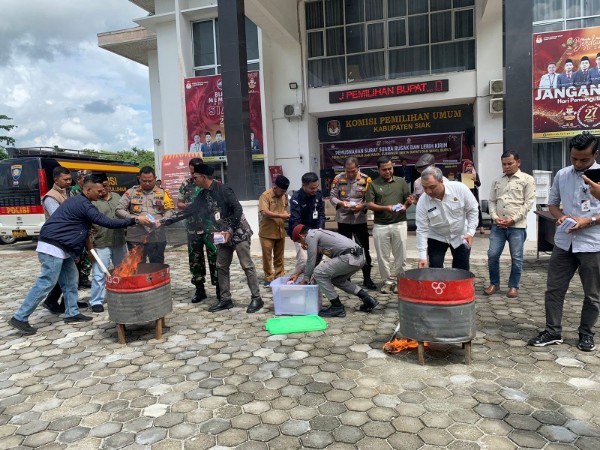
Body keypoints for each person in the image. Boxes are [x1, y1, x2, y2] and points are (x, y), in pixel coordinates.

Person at [7, 175, 153, 335]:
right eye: (98, 190)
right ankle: (20, 317)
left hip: (64, 248)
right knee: (46, 282)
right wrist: (135, 220)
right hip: (52, 246)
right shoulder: (84, 204)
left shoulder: (78, 201)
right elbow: (108, 222)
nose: (101, 192)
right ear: (88, 189)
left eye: (103, 189)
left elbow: (75, 225)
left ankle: (72, 313)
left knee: (71, 280)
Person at [528, 132, 600, 352]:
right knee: (554, 289)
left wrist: (589, 220)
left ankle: (586, 333)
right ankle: (552, 331)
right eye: (574, 159)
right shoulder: (562, 174)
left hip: (593, 243)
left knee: (593, 294)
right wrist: (559, 216)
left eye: (584, 160)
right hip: (564, 241)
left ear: (595, 154)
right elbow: (552, 204)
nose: (578, 164)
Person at [164, 164, 264, 313]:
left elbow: (238, 209)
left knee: (246, 265)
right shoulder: (203, 195)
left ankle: (257, 298)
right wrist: (166, 221)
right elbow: (190, 210)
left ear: (204, 177)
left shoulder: (223, 190)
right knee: (221, 266)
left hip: (238, 232)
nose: (193, 179)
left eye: (195, 177)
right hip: (221, 234)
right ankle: (225, 300)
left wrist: (230, 229)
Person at [289, 225, 378, 318]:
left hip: (349, 257)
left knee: (318, 273)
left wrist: (306, 278)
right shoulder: (317, 235)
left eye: (299, 242)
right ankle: (368, 299)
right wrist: (297, 273)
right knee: (337, 280)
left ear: (301, 236)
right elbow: (315, 260)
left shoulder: (310, 236)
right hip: (359, 257)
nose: (301, 244)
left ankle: (337, 307)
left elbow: (311, 260)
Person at [484, 151, 536, 298]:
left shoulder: (527, 179)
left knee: (517, 257)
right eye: (504, 164)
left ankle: (514, 286)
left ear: (518, 162)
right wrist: (494, 217)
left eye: (509, 163)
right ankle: (494, 283)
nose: (506, 167)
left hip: (517, 227)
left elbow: (528, 203)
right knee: (493, 255)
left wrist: (514, 219)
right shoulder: (496, 180)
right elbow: (492, 201)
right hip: (498, 226)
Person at [416, 166, 479, 272]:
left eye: (432, 187)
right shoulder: (423, 201)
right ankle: (439, 288)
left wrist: (470, 232)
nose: (428, 191)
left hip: (461, 235)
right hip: (437, 236)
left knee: (462, 269)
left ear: (441, 181)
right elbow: (422, 230)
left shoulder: (460, 189)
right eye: (424, 187)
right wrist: (422, 256)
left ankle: (460, 288)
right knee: (435, 269)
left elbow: (473, 210)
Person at [366, 156, 414, 294]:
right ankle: (387, 282)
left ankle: (401, 282)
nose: (388, 172)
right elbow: (369, 204)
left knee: (401, 256)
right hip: (381, 225)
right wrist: (386, 208)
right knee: (382, 256)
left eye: (390, 168)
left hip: (399, 223)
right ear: (378, 170)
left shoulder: (401, 182)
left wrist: (406, 205)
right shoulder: (373, 184)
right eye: (384, 170)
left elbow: (408, 198)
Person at [330, 158, 376, 290]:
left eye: (353, 171)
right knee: (344, 250)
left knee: (364, 249)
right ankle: (345, 278)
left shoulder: (366, 179)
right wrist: (340, 203)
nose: (350, 174)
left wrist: (362, 206)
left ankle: (367, 278)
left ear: (358, 167)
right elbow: (332, 195)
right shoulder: (338, 179)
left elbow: (371, 198)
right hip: (343, 219)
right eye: (348, 171)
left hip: (359, 219)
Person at [41, 167, 81, 314]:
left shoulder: (70, 192)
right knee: (54, 277)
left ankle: (70, 305)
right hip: (56, 241)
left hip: (69, 239)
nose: (69, 182)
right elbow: (60, 217)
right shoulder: (51, 197)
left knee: (71, 275)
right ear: (56, 179)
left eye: (70, 179)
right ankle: (50, 301)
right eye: (66, 179)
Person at [178, 157, 218, 303]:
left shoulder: (210, 183)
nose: (194, 171)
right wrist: (190, 207)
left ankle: (219, 288)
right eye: (192, 168)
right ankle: (199, 289)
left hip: (210, 227)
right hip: (192, 228)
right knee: (195, 259)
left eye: (197, 167)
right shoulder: (186, 184)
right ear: (189, 168)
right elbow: (179, 204)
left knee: (215, 256)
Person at [116, 166, 175, 263]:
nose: (147, 183)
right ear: (139, 178)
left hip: (157, 237)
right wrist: (136, 218)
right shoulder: (130, 192)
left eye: (150, 181)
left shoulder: (163, 193)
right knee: (137, 267)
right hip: (136, 238)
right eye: (144, 181)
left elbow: (170, 210)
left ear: (155, 178)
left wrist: (162, 221)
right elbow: (119, 210)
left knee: (157, 266)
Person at [87, 173, 128, 313]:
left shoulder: (118, 197)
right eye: (100, 187)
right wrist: (90, 246)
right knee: (99, 273)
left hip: (119, 240)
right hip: (101, 242)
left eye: (106, 185)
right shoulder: (92, 202)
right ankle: (96, 300)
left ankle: (121, 294)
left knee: (121, 270)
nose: (103, 189)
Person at [288, 172, 325, 273]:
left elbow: (321, 214)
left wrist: (320, 230)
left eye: (316, 187)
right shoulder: (296, 198)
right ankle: (301, 284)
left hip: (316, 231)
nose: (315, 190)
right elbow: (296, 221)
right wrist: (305, 238)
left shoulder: (318, 194)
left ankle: (315, 284)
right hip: (300, 234)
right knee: (304, 261)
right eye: (312, 188)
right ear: (304, 186)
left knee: (318, 261)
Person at [258, 175, 290, 287]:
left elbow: (285, 208)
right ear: (275, 187)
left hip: (280, 231)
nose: (282, 193)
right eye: (281, 191)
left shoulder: (284, 196)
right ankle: (268, 277)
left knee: (279, 256)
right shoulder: (265, 196)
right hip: (267, 232)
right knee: (267, 257)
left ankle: (280, 275)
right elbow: (265, 212)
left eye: (284, 191)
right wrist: (281, 215)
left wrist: (285, 214)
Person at [69, 169, 93, 289]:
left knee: (87, 255)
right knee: (79, 254)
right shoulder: (74, 191)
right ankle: (77, 278)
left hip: (87, 227)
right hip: (78, 229)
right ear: (79, 179)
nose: (88, 180)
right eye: (85, 178)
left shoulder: (92, 190)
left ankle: (84, 277)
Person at [459, 159, 484, 234]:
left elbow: (479, 184)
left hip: (474, 193)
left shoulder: (475, 174)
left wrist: (475, 180)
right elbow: (459, 184)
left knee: (477, 208)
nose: (469, 167)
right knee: (465, 209)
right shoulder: (462, 174)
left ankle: (481, 227)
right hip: (465, 193)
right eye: (468, 166)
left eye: (471, 166)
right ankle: (466, 227)